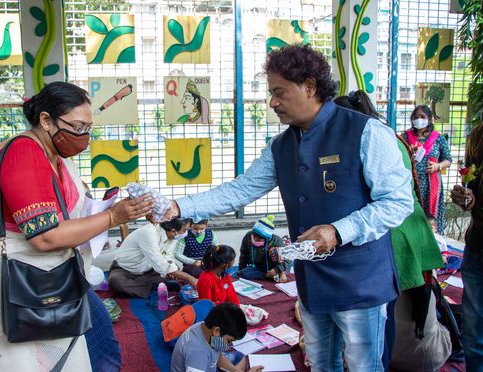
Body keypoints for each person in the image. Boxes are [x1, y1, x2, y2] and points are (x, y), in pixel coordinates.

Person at [164, 45, 413, 371]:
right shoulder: (281, 146)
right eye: (271, 93)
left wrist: (339, 231)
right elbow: (241, 189)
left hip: (360, 283)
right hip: (312, 283)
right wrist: (178, 205)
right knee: (321, 364)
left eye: (279, 92)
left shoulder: (366, 132)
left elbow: (398, 202)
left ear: (309, 87)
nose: (272, 102)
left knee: (363, 365)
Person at [0, 82, 154, 371]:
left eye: (88, 128)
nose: (84, 136)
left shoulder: (53, 156)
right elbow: (45, 237)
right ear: (46, 120)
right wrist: (112, 217)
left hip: (44, 275)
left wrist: (111, 211)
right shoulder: (24, 154)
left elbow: (65, 213)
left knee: (90, 344)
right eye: (77, 127)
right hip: (1, 283)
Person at [335, 90, 446, 371]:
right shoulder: (392, 136)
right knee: (389, 311)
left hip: (392, 232)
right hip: (408, 228)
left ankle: (380, 363)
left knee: (381, 315)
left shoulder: (370, 139)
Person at [450, 121, 483, 371]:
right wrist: (467, 198)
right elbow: (472, 188)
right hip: (479, 246)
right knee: (474, 331)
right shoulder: (477, 136)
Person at [107, 218, 198, 298]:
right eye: (185, 230)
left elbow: (167, 255)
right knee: (115, 281)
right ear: (173, 230)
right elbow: (159, 262)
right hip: (125, 270)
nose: (186, 233)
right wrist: (190, 278)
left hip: (149, 270)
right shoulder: (149, 233)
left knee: (172, 270)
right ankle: (152, 287)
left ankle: (141, 287)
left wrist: (172, 267)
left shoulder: (172, 236)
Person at [401, 105, 452, 234]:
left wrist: (438, 166)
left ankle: (433, 242)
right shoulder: (405, 137)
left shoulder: (438, 138)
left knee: (430, 217)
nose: (419, 119)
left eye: (422, 117)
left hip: (431, 186)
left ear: (429, 119)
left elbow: (448, 160)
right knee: (412, 214)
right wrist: (409, 152)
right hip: (411, 184)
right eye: (416, 117)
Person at [170, 302, 263, 372]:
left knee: (240, 357)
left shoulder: (203, 327)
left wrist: (235, 371)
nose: (230, 345)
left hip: (205, 363)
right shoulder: (198, 354)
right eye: (229, 341)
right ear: (217, 331)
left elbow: (217, 355)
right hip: (199, 365)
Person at [238, 215, 288, 283]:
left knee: (276, 252)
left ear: (267, 238)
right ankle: (267, 276)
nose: (255, 239)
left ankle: (280, 273)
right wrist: (241, 269)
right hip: (256, 266)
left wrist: (277, 270)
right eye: (254, 235)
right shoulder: (248, 237)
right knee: (244, 273)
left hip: (272, 266)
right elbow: (243, 254)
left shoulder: (276, 240)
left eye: (259, 238)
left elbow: (286, 259)